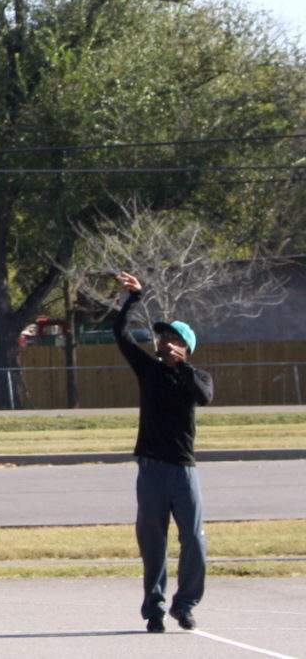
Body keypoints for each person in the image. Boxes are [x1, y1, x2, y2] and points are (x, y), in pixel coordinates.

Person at [113, 271, 213, 634]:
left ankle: (184, 605)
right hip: (151, 469)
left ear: (186, 347)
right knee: (153, 541)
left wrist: (182, 365)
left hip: (183, 471)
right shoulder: (148, 371)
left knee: (195, 541)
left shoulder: (196, 376)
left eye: (174, 338)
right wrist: (134, 300)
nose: (165, 341)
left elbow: (204, 397)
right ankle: (153, 608)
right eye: (162, 336)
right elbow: (120, 335)